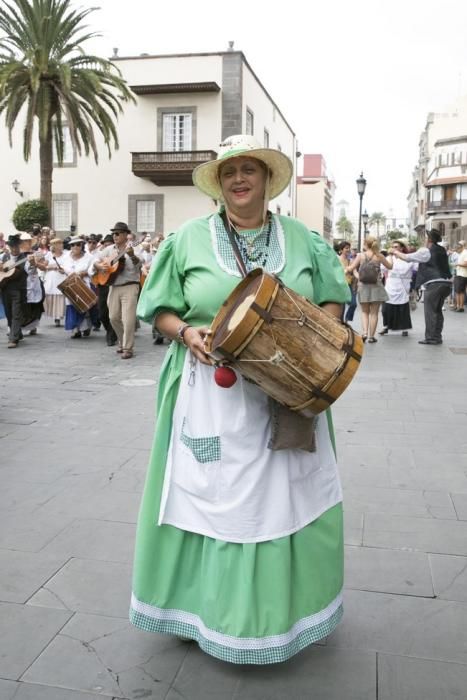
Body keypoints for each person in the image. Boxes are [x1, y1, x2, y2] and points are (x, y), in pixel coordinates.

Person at [129, 134, 350, 665]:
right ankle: (198, 611)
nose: (239, 179)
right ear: (218, 183)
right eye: (229, 172)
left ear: (268, 180)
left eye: (250, 169)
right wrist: (186, 333)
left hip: (286, 392)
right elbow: (158, 307)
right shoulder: (186, 239)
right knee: (207, 498)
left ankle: (282, 616)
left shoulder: (302, 238)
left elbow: (332, 297)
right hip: (211, 392)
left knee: (285, 498)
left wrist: (314, 338)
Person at [90, 222, 141, 359]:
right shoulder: (109, 249)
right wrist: (99, 266)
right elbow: (95, 259)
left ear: (125, 235)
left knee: (128, 319)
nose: (115, 236)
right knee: (113, 317)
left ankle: (128, 348)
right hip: (113, 286)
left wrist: (132, 256)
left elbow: (139, 266)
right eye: (113, 233)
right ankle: (121, 340)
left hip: (130, 285)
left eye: (117, 233)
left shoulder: (135, 247)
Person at [391, 229, 451, 345]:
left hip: (434, 284)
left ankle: (431, 338)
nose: (424, 239)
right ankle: (437, 336)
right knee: (437, 311)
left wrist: (395, 252)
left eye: (426, 237)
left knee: (430, 312)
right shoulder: (441, 249)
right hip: (445, 283)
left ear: (429, 239)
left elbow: (407, 257)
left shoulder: (426, 251)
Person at [346, 235, 392, 343]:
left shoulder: (360, 256)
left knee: (364, 312)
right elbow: (390, 267)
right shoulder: (379, 256)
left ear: (366, 244)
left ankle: (365, 333)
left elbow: (351, 269)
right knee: (374, 313)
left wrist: (356, 275)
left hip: (363, 287)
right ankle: (371, 337)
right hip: (377, 286)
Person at [379, 239, 416, 337]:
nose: (393, 248)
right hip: (390, 285)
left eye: (396, 247)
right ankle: (386, 326)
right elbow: (383, 268)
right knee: (386, 308)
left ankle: (404, 328)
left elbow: (406, 269)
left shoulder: (407, 258)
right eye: (393, 247)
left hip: (402, 286)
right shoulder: (389, 257)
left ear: (402, 248)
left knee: (402, 308)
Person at [62, 236, 95, 338]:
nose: (75, 247)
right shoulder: (66, 257)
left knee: (84, 307)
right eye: (72, 245)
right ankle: (76, 330)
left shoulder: (89, 257)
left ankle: (85, 328)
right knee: (72, 307)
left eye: (78, 244)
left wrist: (85, 273)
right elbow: (63, 268)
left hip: (84, 285)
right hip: (70, 285)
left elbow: (92, 271)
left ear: (82, 245)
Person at [0, 233, 28, 348]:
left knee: (16, 313)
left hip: (18, 289)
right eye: (12, 246)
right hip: (5, 288)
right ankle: (18, 333)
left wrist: (32, 263)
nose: (14, 249)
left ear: (19, 246)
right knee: (9, 314)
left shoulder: (24, 258)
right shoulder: (4, 257)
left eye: (16, 246)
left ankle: (13, 339)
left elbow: (29, 270)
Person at [19, 232, 47, 336]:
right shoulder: (16, 255)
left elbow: (44, 267)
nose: (27, 243)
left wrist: (35, 263)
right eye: (24, 241)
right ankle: (21, 327)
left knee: (36, 305)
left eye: (28, 241)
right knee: (22, 306)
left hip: (34, 282)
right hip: (21, 283)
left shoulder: (37, 253)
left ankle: (33, 326)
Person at [43, 237, 67, 326]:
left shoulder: (66, 255)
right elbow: (44, 266)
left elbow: (67, 265)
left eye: (61, 244)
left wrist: (62, 268)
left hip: (61, 277)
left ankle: (59, 316)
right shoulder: (49, 255)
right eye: (58, 244)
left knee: (60, 296)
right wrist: (52, 267)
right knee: (51, 295)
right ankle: (55, 317)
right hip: (51, 277)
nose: (61, 245)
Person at [337, 241, 357, 323]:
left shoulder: (351, 261)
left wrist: (360, 277)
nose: (348, 250)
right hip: (339, 285)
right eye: (346, 248)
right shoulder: (336, 259)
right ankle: (341, 323)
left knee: (353, 304)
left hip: (348, 285)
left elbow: (355, 272)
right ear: (341, 250)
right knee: (341, 306)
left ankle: (347, 320)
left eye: (349, 248)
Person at [453, 240, 467, 312]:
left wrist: (457, 264)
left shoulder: (465, 253)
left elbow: (466, 264)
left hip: (462, 275)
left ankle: (461, 307)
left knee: (460, 292)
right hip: (459, 274)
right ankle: (458, 306)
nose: (457, 250)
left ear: (461, 247)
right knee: (457, 291)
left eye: (458, 248)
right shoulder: (461, 253)